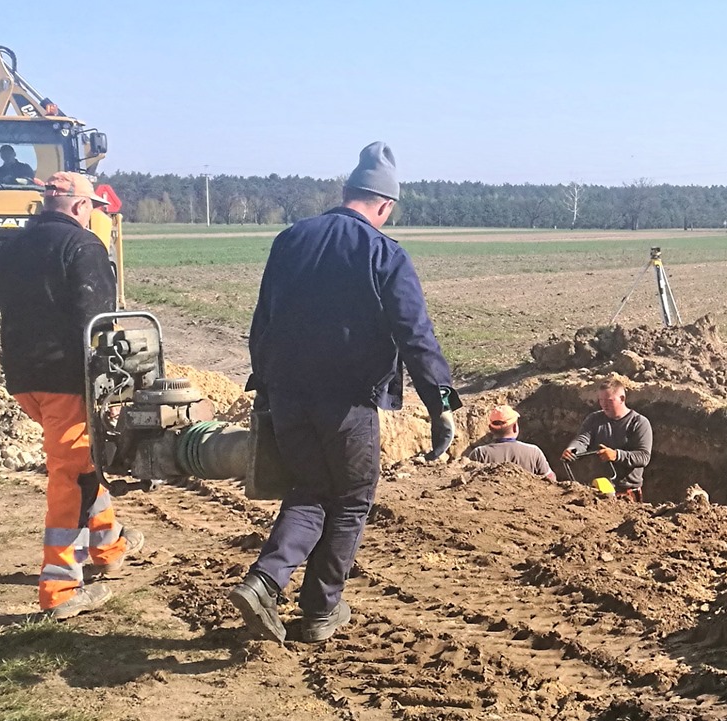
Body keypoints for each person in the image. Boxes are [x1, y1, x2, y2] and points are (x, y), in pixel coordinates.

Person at [230, 142, 460, 645]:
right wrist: (443, 407)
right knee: (353, 499)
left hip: (288, 397)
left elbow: (262, 322)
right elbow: (416, 336)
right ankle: (319, 611)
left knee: (311, 490)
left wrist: (265, 386)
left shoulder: (290, 239)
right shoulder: (384, 253)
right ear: (385, 205)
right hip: (348, 405)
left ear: (347, 192)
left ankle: (264, 581)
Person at [0, 171, 142, 618]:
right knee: (70, 477)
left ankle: (108, 548)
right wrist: (112, 378)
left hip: (24, 382)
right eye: (93, 207)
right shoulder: (84, 247)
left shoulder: (16, 247)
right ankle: (61, 590)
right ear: (79, 207)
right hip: (66, 380)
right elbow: (97, 321)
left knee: (82, 459)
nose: (93, 214)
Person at [559, 375, 653, 500]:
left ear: (622, 398)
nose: (604, 405)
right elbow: (582, 440)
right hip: (598, 489)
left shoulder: (639, 423)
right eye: (601, 400)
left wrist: (616, 455)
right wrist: (573, 450)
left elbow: (643, 457)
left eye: (609, 401)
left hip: (626, 493)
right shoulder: (594, 419)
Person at [464, 404, 556, 480]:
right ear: (515, 427)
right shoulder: (534, 452)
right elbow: (550, 479)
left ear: (491, 429)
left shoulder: (480, 454)